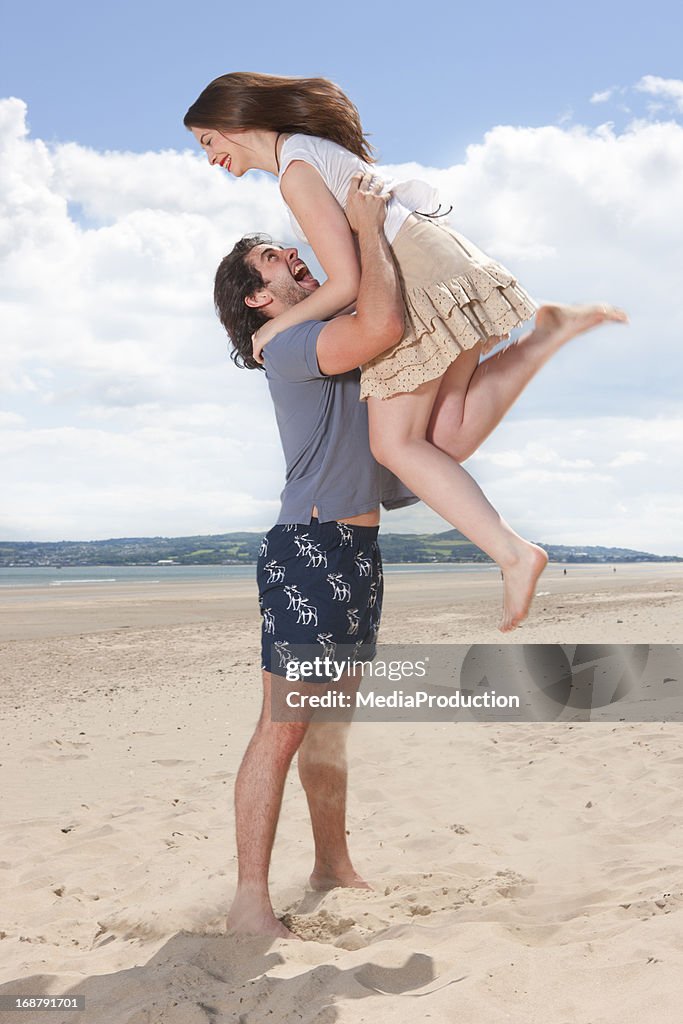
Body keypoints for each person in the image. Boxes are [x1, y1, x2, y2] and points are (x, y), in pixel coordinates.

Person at [185, 72, 628, 632]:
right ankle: (549, 333)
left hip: (412, 274)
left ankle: (514, 554)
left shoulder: (295, 172)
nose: (211, 157)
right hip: (439, 261)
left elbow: (346, 282)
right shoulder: (309, 155)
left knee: (394, 443)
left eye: (208, 141)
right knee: (446, 437)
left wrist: (274, 329)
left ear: (236, 122)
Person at [213, 173, 416, 938]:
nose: (292, 253)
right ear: (257, 298)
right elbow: (382, 324)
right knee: (284, 726)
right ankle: (248, 903)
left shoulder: (298, 334)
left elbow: (370, 306)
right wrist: (361, 226)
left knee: (325, 726)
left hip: (353, 547)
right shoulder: (294, 344)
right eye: (273, 256)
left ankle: (330, 863)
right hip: (312, 549)